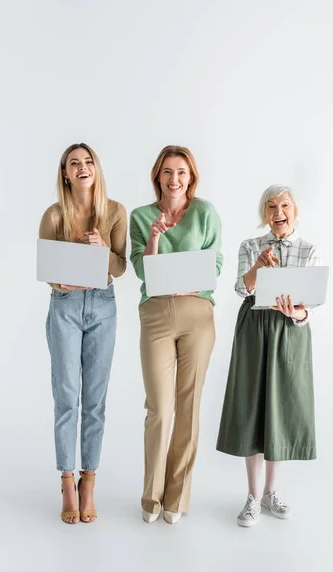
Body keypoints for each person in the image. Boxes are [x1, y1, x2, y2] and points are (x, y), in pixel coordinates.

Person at [216, 185, 320, 527]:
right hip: (254, 326)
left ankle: (271, 493)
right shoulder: (251, 246)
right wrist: (258, 269)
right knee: (251, 408)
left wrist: (298, 315)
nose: (278, 211)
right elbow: (240, 288)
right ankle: (251, 495)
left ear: (294, 210)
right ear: (265, 213)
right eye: (271, 206)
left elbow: (311, 304)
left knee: (281, 408)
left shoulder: (308, 250)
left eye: (284, 205)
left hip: (289, 331)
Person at [130, 145, 223, 524]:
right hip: (155, 314)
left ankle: (177, 499)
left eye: (181, 172)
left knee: (188, 408)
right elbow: (141, 270)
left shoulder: (205, 212)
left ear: (191, 177)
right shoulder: (141, 217)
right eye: (167, 172)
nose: (174, 179)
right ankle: (151, 498)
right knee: (159, 409)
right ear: (158, 177)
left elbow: (214, 263)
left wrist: (192, 283)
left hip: (197, 313)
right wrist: (154, 237)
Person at [39, 143, 127, 524]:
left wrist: (104, 249)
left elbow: (121, 266)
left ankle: (89, 480)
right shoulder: (54, 214)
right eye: (73, 163)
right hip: (65, 306)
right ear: (65, 173)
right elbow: (47, 269)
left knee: (94, 398)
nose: (82, 167)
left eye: (88, 161)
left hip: (103, 306)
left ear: (96, 169)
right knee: (66, 397)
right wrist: (64, 281)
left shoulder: (115, 212)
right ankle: (66, 479)